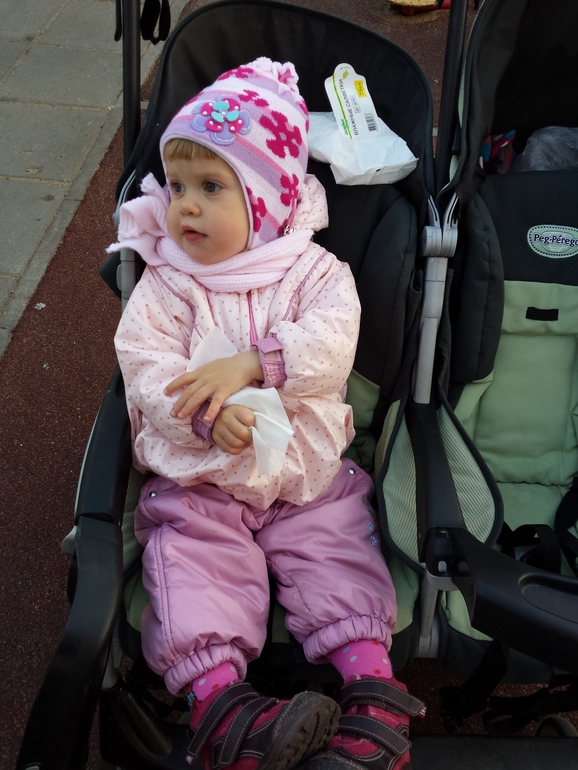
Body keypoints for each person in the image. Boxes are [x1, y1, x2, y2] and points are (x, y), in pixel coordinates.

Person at [110, 58, 424, 770]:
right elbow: (145, 368)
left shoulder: (315, 273)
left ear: (266, 198)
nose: (185, 207)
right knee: (193, 559)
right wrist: (201, 415)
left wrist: (255, 364)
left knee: (335, 547)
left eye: (211, 187)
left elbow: (333, 345)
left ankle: (373, 691)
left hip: (303, 472)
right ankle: (225, 712)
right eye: (177, 186)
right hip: (203, 479)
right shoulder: (167, 285)